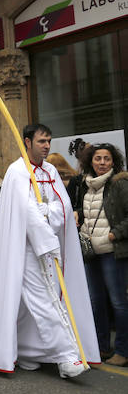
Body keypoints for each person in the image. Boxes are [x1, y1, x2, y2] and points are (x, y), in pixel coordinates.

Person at [0, 124, 99, 377]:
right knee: (44, 299)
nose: (47, 145)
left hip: (49, 246)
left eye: (49, 140)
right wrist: (41, 221)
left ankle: (29, 350)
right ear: (27, 142)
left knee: (35, 300)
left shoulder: (50, 170)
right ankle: (65, 356)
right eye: (41, 141)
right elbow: (25, 211)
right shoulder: (17, 172)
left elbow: (62, 207)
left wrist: (47, 214)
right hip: (25, 249)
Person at [75, 143, 128, 366]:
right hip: (91, 251)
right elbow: (83, 209)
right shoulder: (85, 184)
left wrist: (115, 234)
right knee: (96, 302)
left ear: (113, 161)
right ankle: (101, 347)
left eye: (107, 159)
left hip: (112, 252)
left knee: (118, 302)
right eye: (98, 158)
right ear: (91, 161)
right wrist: (78, 214)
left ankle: (123, 351)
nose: (102, 163)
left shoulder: (120, 183)